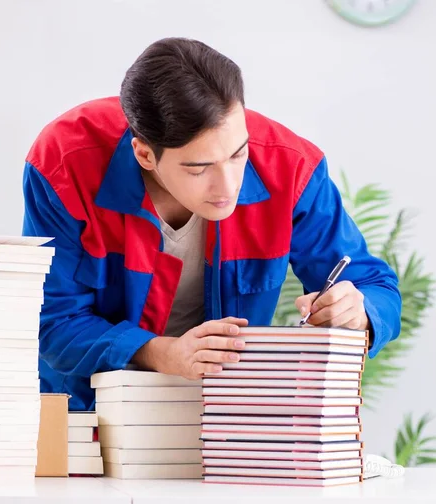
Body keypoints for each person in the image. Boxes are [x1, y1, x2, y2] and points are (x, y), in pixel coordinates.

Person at [22, 37, 401, 411]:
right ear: (144, 154)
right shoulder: (64, 165)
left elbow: (375, 285)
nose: (229, 186)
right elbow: (54, 322)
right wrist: (161, 352)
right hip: (86, 412)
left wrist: (360, 311)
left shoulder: (293, 169)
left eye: (239, 154)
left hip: (227, 421)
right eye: (199, 167)